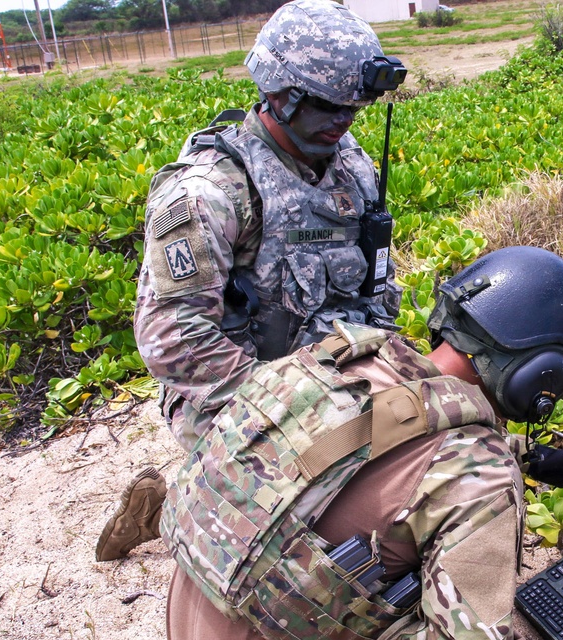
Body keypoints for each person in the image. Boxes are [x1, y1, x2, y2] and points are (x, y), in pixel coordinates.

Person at [159, 246, 563, 640]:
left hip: (188, 635)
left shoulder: (338, 356)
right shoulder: (482, 478)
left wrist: (529, 457)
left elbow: (366, 438)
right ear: (541, 376)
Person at [96, 0, 407, 562]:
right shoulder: (209, 192)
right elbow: (172, 337)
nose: (343, 122)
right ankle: (168, 510)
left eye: (353, 110)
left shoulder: (351, 166)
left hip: (333, 375)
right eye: (328, 107)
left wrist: (388, 366)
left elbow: (377, 284)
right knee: (286, 543)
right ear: (281, 95)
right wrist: (288, 411)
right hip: (234, 392)